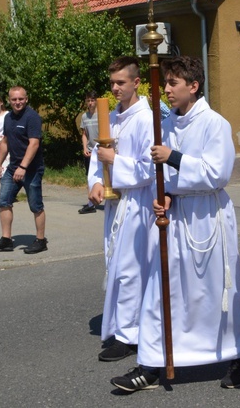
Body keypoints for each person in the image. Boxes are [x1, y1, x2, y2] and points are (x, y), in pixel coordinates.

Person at [110, 56, 240, 392]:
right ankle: (152, 364)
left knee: (215, 291)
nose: (166, 90)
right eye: (165, 83)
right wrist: (168, 195)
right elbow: (166, 176)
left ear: (193, 85)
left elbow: (216, 173)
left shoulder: (214, 123)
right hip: (175, 219)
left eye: (173, 83)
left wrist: (173, 157)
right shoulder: (169, 124)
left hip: (207, 219)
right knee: (162, 291)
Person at [86, 57, 155, 363]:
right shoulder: (111, 116)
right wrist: (96, 183)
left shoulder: (146, 119)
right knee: (114, 264)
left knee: (130, 270)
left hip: (137, 204)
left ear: (136, 82)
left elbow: (149, 169)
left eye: (121, 83)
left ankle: (131, 335)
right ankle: (121, 326)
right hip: (115, 204)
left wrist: (116, 162)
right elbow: (97, 157)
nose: (115, 88)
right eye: (112, 82)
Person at [0, 87, 48, 254]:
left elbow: (34, 144)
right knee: (3, 201)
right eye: (14, 99)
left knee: (36, 205)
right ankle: (6, 240)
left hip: (32, 169)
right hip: (13, 167)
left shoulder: (32, 117)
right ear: (9, 100)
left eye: (20, 99)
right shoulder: (9, 118)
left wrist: (23, 167)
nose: (17, 102)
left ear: (26, 99)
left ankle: (40, 241)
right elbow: (5, 141)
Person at [78, 91, 99, 214]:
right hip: (90, 152)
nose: (90, 103)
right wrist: (85, 148)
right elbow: (84, 134)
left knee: (109, 178)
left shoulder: (103, 114)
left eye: (92, 100)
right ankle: (91, 204)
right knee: (90, 177)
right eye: (88, 100)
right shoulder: (85, 117)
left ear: (96, 101)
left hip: (101, 151)